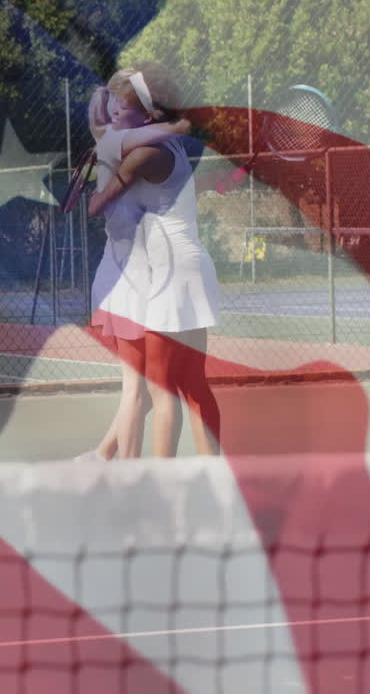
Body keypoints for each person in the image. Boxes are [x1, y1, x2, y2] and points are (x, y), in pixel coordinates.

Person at [82, 62, 223, 459]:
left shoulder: (144, 153)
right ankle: (214, 475)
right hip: (190, 266)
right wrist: (106, 113)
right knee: (194, 384)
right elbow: (106, 132)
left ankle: (158, 485)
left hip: (168, 276)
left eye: (121, 110)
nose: (113, 117)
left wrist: (96, 180)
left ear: (149, 116)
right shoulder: (164, 144)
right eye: (111, 109)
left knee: (162, 393)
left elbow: (98, 204)